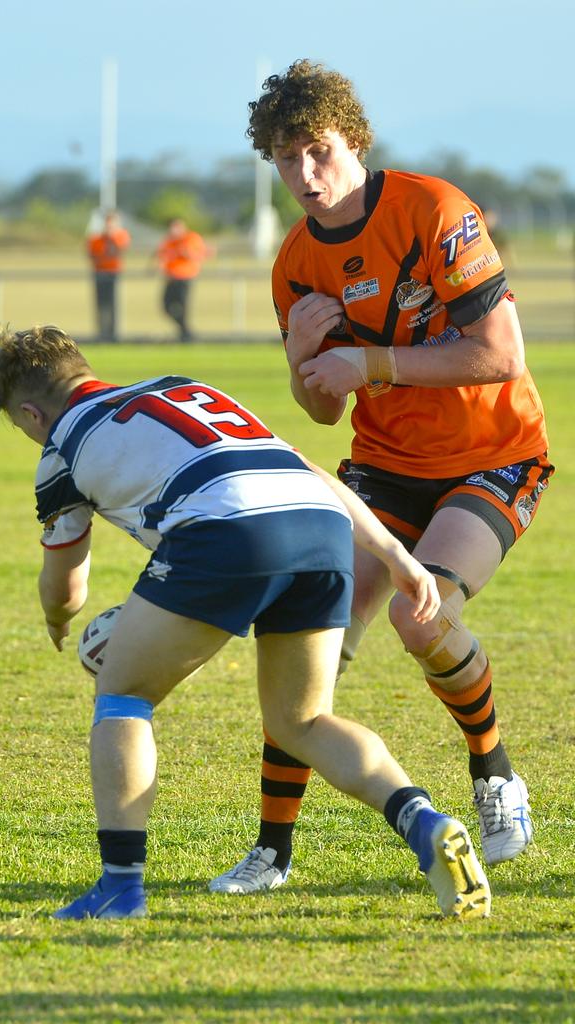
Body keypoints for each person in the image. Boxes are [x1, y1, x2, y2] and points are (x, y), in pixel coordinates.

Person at [0, 323, 492, 921]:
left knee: (122, 693)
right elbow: (305, 468)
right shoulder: (182, 388)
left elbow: (67, 586)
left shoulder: (60, 447)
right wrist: (395, 555)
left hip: (227, 530)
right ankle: (425, 823)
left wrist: (58, 621)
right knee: (304, 718)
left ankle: (120, 888)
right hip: (320, 524)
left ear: (29, 412)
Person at [208, 59, 553, 895]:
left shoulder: (434, 211)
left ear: (354, 140)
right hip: (382, 467)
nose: (305, 175)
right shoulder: (295, 263)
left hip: (493, 454)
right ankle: (272, 852)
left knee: (422, 612)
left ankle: (495, 773)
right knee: (304, 632)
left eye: (318, 151)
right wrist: (301, 363)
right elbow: (323, 408)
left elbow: (499, 353)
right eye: (287, 159)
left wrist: (370, 360)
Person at [155, 218, 210, 341]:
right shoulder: (169, 241)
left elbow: (202, 254)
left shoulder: (191, 238)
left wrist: (187, 253)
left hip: (185, 277)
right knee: (166, 307)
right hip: (171, 278)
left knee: (183, 307)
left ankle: (185, 334)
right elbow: (162, 255)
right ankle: (185, 330)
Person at [86, 211, 131, 342]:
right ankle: (102, 332)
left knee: (112, 304)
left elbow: (120, 249)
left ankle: (112, 333)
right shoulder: (96, 239)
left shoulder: (120, 236)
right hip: (99, 272)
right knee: (101, 303)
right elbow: (92, 254)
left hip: (112, 272)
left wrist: (111, 237)